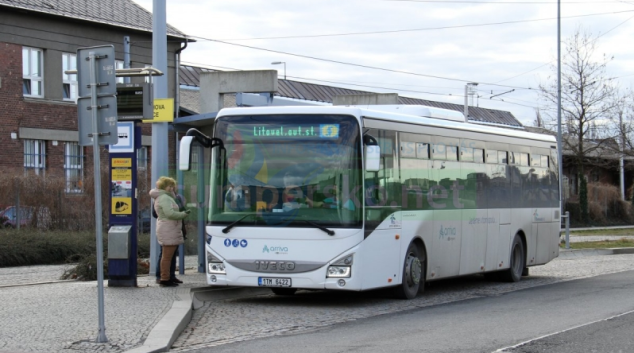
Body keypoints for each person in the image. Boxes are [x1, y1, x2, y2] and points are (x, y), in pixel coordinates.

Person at [149, 177, 190, 287]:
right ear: (163, 187)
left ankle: (168, 276)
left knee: (169, 255)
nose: (172, 188)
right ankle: (164, 278)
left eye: (173, 186)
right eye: (170, 186)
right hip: (168, 228)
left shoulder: (167, 197)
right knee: (166, 256)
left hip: (170, 228)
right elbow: (170, 213)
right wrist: (183, 214)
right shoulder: (164, 198)